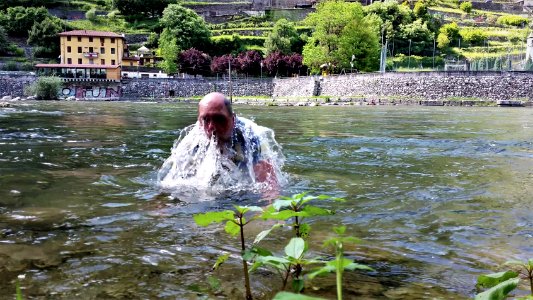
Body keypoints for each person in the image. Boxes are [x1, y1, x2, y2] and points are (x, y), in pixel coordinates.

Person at [196, 92, 278, 189]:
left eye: (219, 119)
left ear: (233, 119)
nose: (212, 127)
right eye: (205, 119)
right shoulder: (194, 138)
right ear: (200, 122)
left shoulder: (251, 137)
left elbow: (270, 186)